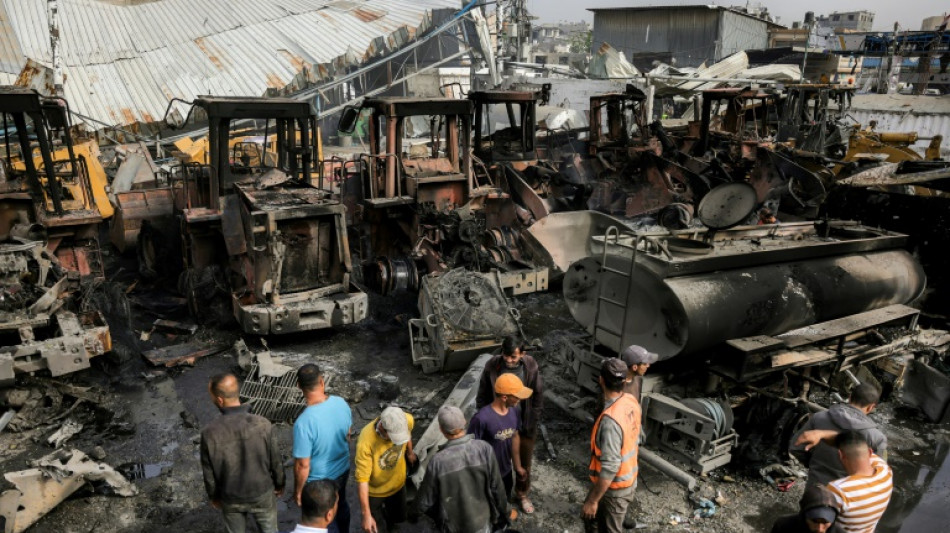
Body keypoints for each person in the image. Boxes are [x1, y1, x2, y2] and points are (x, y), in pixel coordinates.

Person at [200, 373, 284, 533]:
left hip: (230, 497)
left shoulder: (209, 433)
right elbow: (276, 461)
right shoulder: (263, 424)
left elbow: (208, 472)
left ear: (220, 400)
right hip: (262, 491)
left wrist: (214, 496)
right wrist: (280, 484)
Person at [475, 336, 544, 514]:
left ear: (522, 354)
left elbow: (537, 396)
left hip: (524, 423)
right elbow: (482, 392)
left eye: (513, 357)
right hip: (500, 422)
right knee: (499, 462)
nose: (509, 360)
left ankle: (522, 493)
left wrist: (532, 421)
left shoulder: (530, 366)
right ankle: (498, 498)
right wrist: (487, 417)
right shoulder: (492, 365)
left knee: (524, 464)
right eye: (506, 355)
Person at [415, 406, 508, 533]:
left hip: (454, 526)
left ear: (441, 429)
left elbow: (425, 500)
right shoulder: (484, 449)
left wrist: (412, 514)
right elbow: (497, 487)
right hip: (483, 520)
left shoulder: (437, 461)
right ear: (465, 422)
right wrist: (505, 512)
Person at [789, 382, 887, 489]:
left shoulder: (819, 417)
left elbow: (796, 447)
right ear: (871, 407)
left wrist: (813, 465)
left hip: (815, 487)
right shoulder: (876, 437)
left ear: (850, 397)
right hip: (848, 494)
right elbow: (878, 475)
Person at [582, 358, 641, 533]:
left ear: (601, 380)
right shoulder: (630, 401)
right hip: (625, 481)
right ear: (624, 381)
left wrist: (593, 501)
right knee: (589, 519)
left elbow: (611, 467)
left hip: (614, 490)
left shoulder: (610, 421)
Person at [293, 364, 353, 533]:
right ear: (321, 381)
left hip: (320, 482)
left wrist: (298, 491)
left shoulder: (303, 423)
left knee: (324, 518)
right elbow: (348, 435)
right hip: (343, 470)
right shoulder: (341, 403)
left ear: (299, 386)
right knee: (341, 504)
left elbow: (302, 465)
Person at [795, 430, 893, 533]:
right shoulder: (885, 470)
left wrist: (821, 434)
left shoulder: (839, 490)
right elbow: (852, 444)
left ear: (841, 455)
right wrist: (820, 434)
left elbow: (818, 525)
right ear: (870, 452)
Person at [470, 373, 532, 506]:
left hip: (506, 469)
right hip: (488, 473)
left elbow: (514, 437)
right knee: (490, 502)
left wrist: (517, 466)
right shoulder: (481, 419)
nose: (520, 400)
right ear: (504, 397)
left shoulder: (515, 411)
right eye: (517, 397)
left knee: (505, 495)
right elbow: (471, 450)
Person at [355, 406, 417, 533]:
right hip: (376, 491)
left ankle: (391, 523)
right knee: (376, 527)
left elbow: (408, 435)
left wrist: (410, 452)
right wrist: (366, 514)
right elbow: (362, 480)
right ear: (383, 428)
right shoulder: (366, 442)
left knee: (397, 516)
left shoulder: (407, 420)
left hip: (397, 483)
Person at [770, 484, 843, 533]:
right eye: (814, 521)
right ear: (804, 516)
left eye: (825, 522)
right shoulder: (783, 526)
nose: (819, 529)